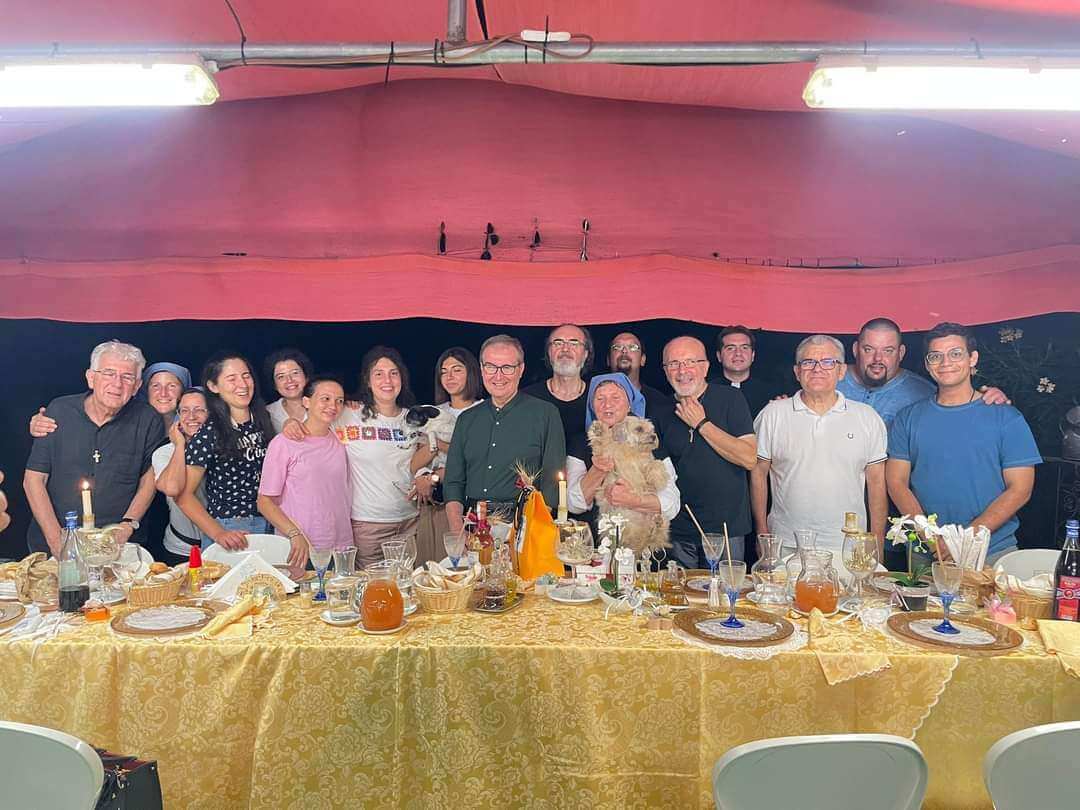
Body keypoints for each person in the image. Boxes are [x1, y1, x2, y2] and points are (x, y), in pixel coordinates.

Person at [886, 322, 1042, 564]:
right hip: (927, 552)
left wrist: (965, 538)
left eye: (955, 353)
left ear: (973, 358)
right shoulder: (908, 418)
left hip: (990, 551)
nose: (945, 362)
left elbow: (1020, 489)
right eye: (935, 356)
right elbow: (896, 483)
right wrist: (930, 536)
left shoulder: (1006, 418)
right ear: (927, 364)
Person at [751, 335, 888, 559]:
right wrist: (762, 532)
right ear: (797, 372)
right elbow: (758, 473)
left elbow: (876, 483)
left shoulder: (867, 417)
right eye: (808, 362)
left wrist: (877, 542)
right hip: (786, 543)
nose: (817, 369)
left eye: (828, 362)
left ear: (841, 371)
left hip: (849, 544)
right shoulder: (773, 414)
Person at [23, 340, 164, 556]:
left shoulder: (148, 419)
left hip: (119, 545)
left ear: (137, 386)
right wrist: (56, 541)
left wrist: (127, 525)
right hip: (53, 542)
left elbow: (149, 480)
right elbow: (33, 479)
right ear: (91, 378)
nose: (117, 384)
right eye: (109, 373)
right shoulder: (58, 411)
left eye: (127, 377)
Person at [444, 334, 566, 534]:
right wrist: (457, 530)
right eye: (491, 367)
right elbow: (453, 483)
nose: (498, 376)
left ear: (521, 369)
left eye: (507, 367)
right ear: (481, 369)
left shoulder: (545, 414)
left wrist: (533, 533)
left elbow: (552, 484)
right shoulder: (466, 420)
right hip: (471, 528)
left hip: (523, 527)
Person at [652, 336, 757, 567]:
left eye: (690, 362)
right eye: (674, 364)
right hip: (677, 530)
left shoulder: (730, 398)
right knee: (679, 590)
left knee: (726, 590)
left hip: (726, 529)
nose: (682, 371)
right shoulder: (659, 410)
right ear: (665, 371)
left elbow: (749, 458)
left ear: (706, 367)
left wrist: (701, 423)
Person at [331, 347, 422, 567]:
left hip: (410, 520)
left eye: (393, 373)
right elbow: (313, 420)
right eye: (378, 374)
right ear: (368, 381)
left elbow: (421, 461)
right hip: (368, 524)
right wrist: (291, 423)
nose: (387, 380)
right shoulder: (348, 414)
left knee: (407, 584)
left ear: (402, 378)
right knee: (373, 585)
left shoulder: (413, 418)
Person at [838, 317, 1009, 431]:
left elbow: (959, 417)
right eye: (868, 349)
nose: (878, 358)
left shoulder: (924, 394)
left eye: (888, 351)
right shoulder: (830, 378)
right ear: (855, 350)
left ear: (901, 353)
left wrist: (988, 399)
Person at [567, 374, 680, 545]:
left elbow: (672, 503)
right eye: (600, 399)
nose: (607, 404)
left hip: (644, 545)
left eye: (615, 397)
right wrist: (599, 469)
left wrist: (632, 500)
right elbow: (573, 504)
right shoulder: (580, 443)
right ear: (592, 406)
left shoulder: (649, 440)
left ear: (629, 405)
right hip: (596, 547)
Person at [177, 353, 273, 549]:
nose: (243, 384)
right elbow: (183, 496)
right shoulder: (209, 432)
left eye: (246, 376)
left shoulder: (263, 420)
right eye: (232, 378)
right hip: (232, 527)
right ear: (213, 386)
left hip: (271, 522)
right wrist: (218, 533)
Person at [257, 377, 350, 572]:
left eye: (339, 401)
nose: (333, 406)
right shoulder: (283, 443)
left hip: (341, 546)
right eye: (325, 399)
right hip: (301, 548)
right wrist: (294, 534)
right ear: (306, 402)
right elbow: (264, 502)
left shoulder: (340, 439)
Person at [409, 348, 483, 565]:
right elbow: (415, 464)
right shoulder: (433, 412)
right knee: (433, 571)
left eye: (457, 370)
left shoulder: (484, 411)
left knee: (466, 569)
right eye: (444, 371)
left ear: (471, 373)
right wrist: (424, 477)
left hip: (468, 505)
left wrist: (435, 475)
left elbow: (476, 462)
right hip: (433, 504)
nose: (449, 376)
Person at [28, 360, 191, 438]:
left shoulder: (196, 424)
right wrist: (43, 422)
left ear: (183, 391)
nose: (163, 393)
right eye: (155, 386)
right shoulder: (129, 418)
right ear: (144, 390)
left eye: (172, 386)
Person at [152, 387, 210, 564]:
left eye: (199, 410)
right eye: (184, 411)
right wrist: (180, 445)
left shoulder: (223, 447)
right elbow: (172, 487)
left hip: (220, 542)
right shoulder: (164, 452)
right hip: (180, 547)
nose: (191, 417)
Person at [523, 324, 592, 446]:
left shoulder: (598, 398)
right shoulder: (527, 398)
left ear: (585, 354)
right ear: (549, 352)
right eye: (558, 343)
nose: (565, 349)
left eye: (574, 343)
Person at [710, 326, 775, 419]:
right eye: (730, 348)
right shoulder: (706, 392)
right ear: (719, 356)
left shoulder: (771, 395)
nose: (738, 353)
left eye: (744, 348)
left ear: (753, 355)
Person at [606, 331, 668, 413]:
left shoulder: (660, 403)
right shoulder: (593, 398)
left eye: (633, 347)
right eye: (617, 347)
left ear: (643, 359)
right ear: (608, 359)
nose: (624, 351)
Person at [264, 348, 313, 434]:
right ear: (274, 385)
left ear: (306, 376)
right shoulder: (267, 413)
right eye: (281, 377)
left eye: (295, 373)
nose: (289, 380)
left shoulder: (324, 405)